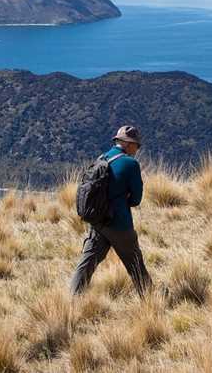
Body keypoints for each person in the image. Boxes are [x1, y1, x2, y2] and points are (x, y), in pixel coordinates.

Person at [70, 126, 152, 297]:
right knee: (135, 263)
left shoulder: (102, 159)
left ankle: (72, 301)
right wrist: (124, 201)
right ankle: (151, 300)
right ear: (128, 144)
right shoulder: (131, 164)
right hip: (119, 223)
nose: (137, 149)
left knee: (87, 263)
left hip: (98, 221)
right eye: (136, 145)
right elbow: (136, 199)